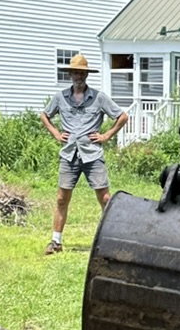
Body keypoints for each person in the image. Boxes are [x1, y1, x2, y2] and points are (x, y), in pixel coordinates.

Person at [40, 53, 128, 254]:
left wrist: (106, 135)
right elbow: (44, 115)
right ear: (70, 74)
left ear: (86, 75)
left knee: (105, 198)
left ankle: (111, 240)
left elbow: (122, 116)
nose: (78, 76)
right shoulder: (60, 97)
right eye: (75, 72)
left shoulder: (98, 97)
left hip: (92, 154)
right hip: (69, 153)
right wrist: (55, 133)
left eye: (82, 73)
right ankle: (55, 242)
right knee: (62, 198)